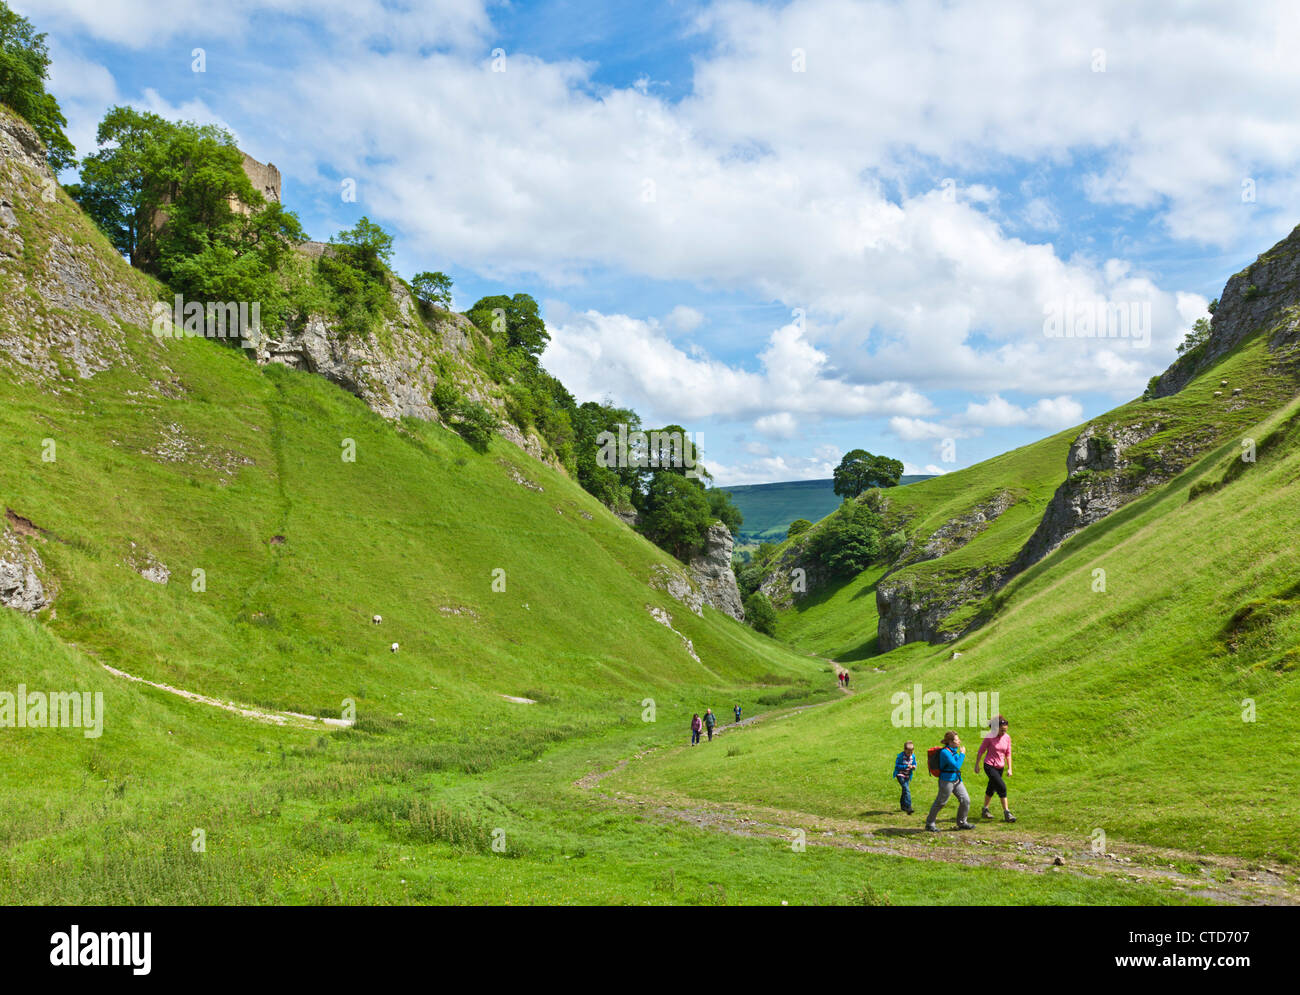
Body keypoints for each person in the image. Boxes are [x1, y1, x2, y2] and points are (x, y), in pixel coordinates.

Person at [926, 730, 974, 832]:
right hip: (946, 781)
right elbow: (956, 766)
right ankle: (930, 823)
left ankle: (962, 823)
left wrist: (958, 754)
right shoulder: (945, 752)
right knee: (941, 802)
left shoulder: (953, 750)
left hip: (956, 780)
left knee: (966, 800)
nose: (959, 741)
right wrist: (962, 754)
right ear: (950, 742)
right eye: (957, 740)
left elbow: (955, 764)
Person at [975, 715, 1016, 822]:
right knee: (1002, 787)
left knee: (991, 787)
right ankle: (1007, 813)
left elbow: (1008, 753)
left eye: (1005, 730)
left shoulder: (1007, 737)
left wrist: (1009, 768)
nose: (1004, 732)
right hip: (989, 765)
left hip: (1000, 766)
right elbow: (981, 751)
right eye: (1002, 730)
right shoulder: (989, 737)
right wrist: (977, 765)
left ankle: (985, 810)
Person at [894, 740, 917, 814]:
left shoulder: (913, 756)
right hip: (900, 775)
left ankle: (903, 805)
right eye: (908, 752)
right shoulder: (900, 756)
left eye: (911, 752)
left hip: (907, 775)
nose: (909, 754)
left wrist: (914, 767)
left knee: (905, 790)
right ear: (904, 750)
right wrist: (906, 766)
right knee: (907, 790)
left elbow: (914, 764)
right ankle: (908, 807)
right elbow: (897, 766)